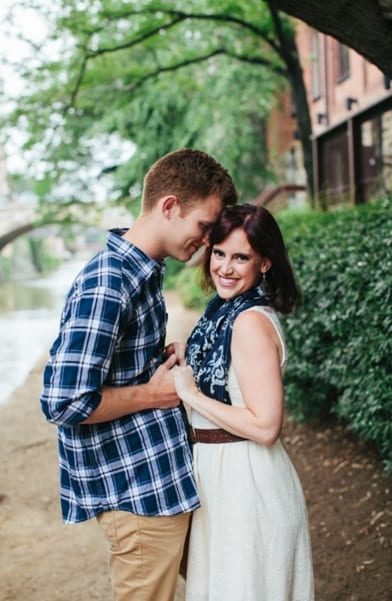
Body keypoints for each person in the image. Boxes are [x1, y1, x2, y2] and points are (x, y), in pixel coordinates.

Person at [41, 148, 238, 601]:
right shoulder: (108, 282)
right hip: (138, 498)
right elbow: (63, 402)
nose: (207, 241)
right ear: (169, 206)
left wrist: (161, 363)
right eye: (204, 226)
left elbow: (120, 368)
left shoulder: (143, 273)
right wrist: (152, 394)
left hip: (162, 482)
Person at [172, 204, 314, 600]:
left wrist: (191, 393)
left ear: (264, 263)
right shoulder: (225, 311)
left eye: (241, 257)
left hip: (246, 481)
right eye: (219, 253)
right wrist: (190, 356)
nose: (226, 267)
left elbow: (266, 426)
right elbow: (234, 376)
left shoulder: (249, 321)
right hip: (221, 476)